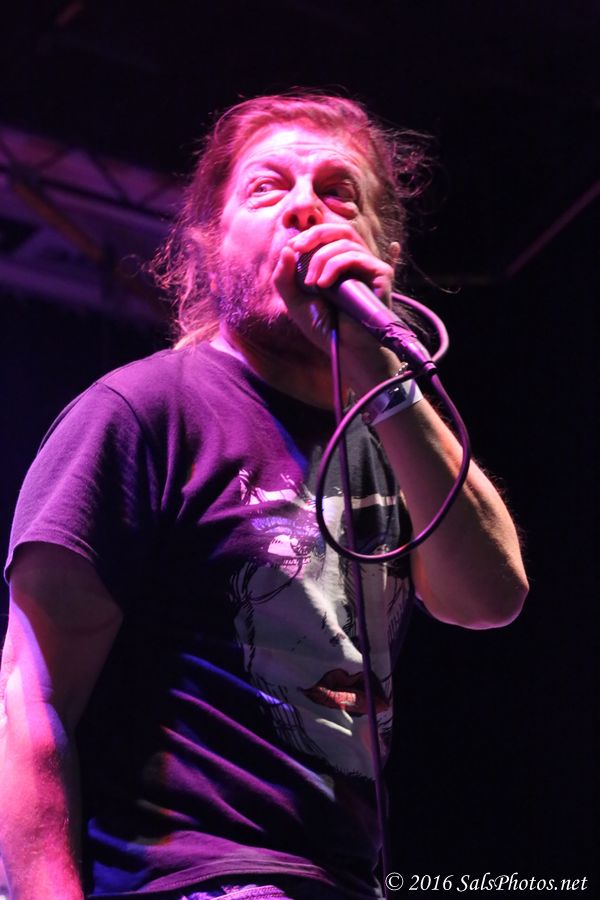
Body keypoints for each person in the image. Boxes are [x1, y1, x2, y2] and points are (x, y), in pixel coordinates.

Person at [0, 92, 528, 899]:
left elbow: (489, 597)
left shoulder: (393, 434)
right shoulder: (146, 412)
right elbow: (31, 707)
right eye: (268, 187)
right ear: (210, 243)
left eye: (338, 192)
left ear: (383, 248)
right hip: (190, 878)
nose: (305, 209)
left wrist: (383, 370)